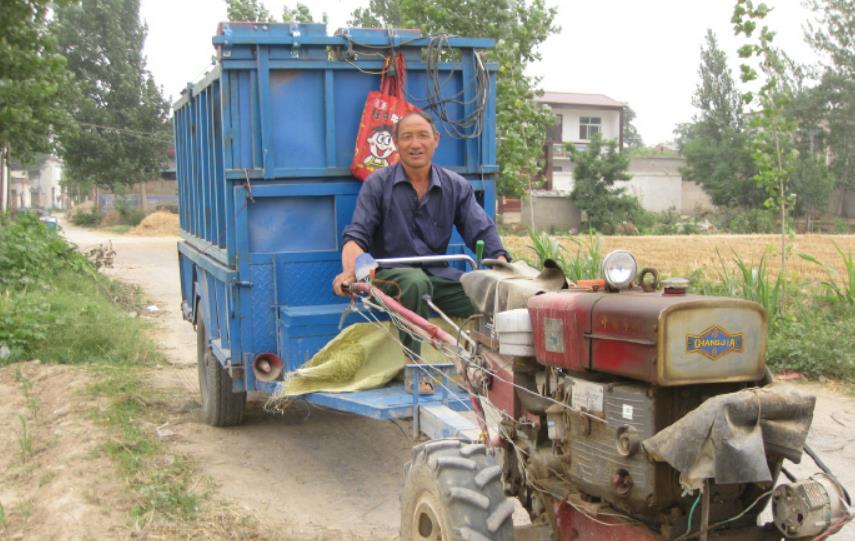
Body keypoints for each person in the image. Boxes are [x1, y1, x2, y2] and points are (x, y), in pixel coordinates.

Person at [333, 111, 509, 391]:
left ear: (435, 140)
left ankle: (489, 371)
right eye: (407, 137)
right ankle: (416, 370)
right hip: (390, 278)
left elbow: (482, 231)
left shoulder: (455, 185)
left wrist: (501, 267)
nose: (415, 144)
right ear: (395, 143)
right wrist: (347, 273)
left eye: (422, 135)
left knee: (488, 293)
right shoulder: (377, 184)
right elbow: (357, 236)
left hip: (437, 277)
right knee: (415, 282)